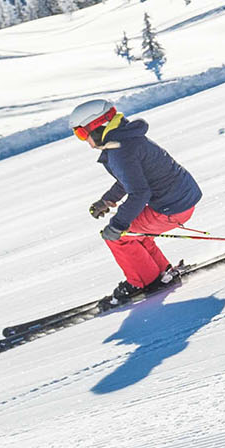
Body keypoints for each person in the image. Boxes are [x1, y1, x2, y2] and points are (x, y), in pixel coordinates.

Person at [68, 99, 204, 300]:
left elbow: (139, 192)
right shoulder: (125, 140)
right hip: (180, 200)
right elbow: (130, 180)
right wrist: (107, 201)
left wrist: (117, 225)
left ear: (97, 126)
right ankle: (160, 273)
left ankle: (144, 282)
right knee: (135, 232)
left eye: (81, 133)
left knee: (120, 237)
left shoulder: (120, 151)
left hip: (171, 207)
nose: (84, 140)